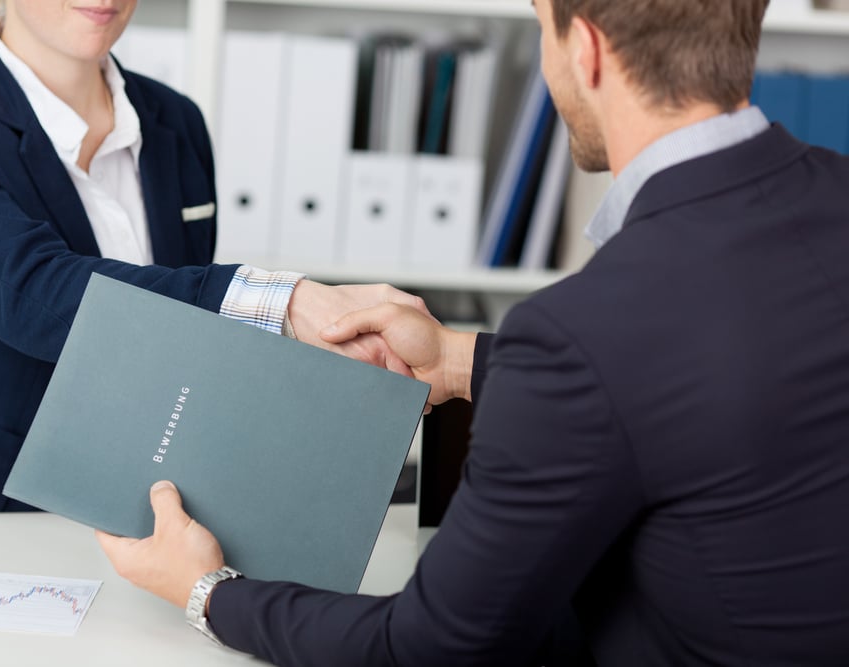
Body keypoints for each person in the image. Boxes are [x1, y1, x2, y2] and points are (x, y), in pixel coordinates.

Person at [97, 0, 849, 664]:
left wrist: (206, 589)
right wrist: (460, 361)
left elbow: (430, 644)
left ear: (584, 49)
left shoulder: (582, 331)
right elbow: (709, 378)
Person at [0, 0, 426, 514]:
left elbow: (192, 332)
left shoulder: (176, 120)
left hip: (154, 501)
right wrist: (285, 300)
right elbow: (38, 295)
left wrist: (333, 347)